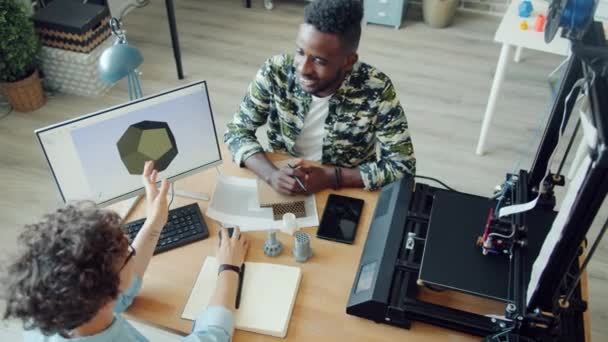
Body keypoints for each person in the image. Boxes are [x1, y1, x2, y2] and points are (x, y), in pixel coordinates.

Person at [2, 161, 249, 342]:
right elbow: (213, 337)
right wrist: (229, 268)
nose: (132, 248)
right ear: (110, 290)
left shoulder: (50, 315)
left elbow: (119, 294)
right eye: (128, 251)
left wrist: (154, 224)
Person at [224, 0, 415, 196]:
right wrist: (271, 175)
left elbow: (402, 167)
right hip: (283, 181)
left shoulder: (377, 89)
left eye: (319, 60)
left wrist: (331, 177)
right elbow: (237, 131)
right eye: (300, 52)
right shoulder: (276, 72)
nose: (303, 69)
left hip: (345, 190)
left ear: (349, 61)